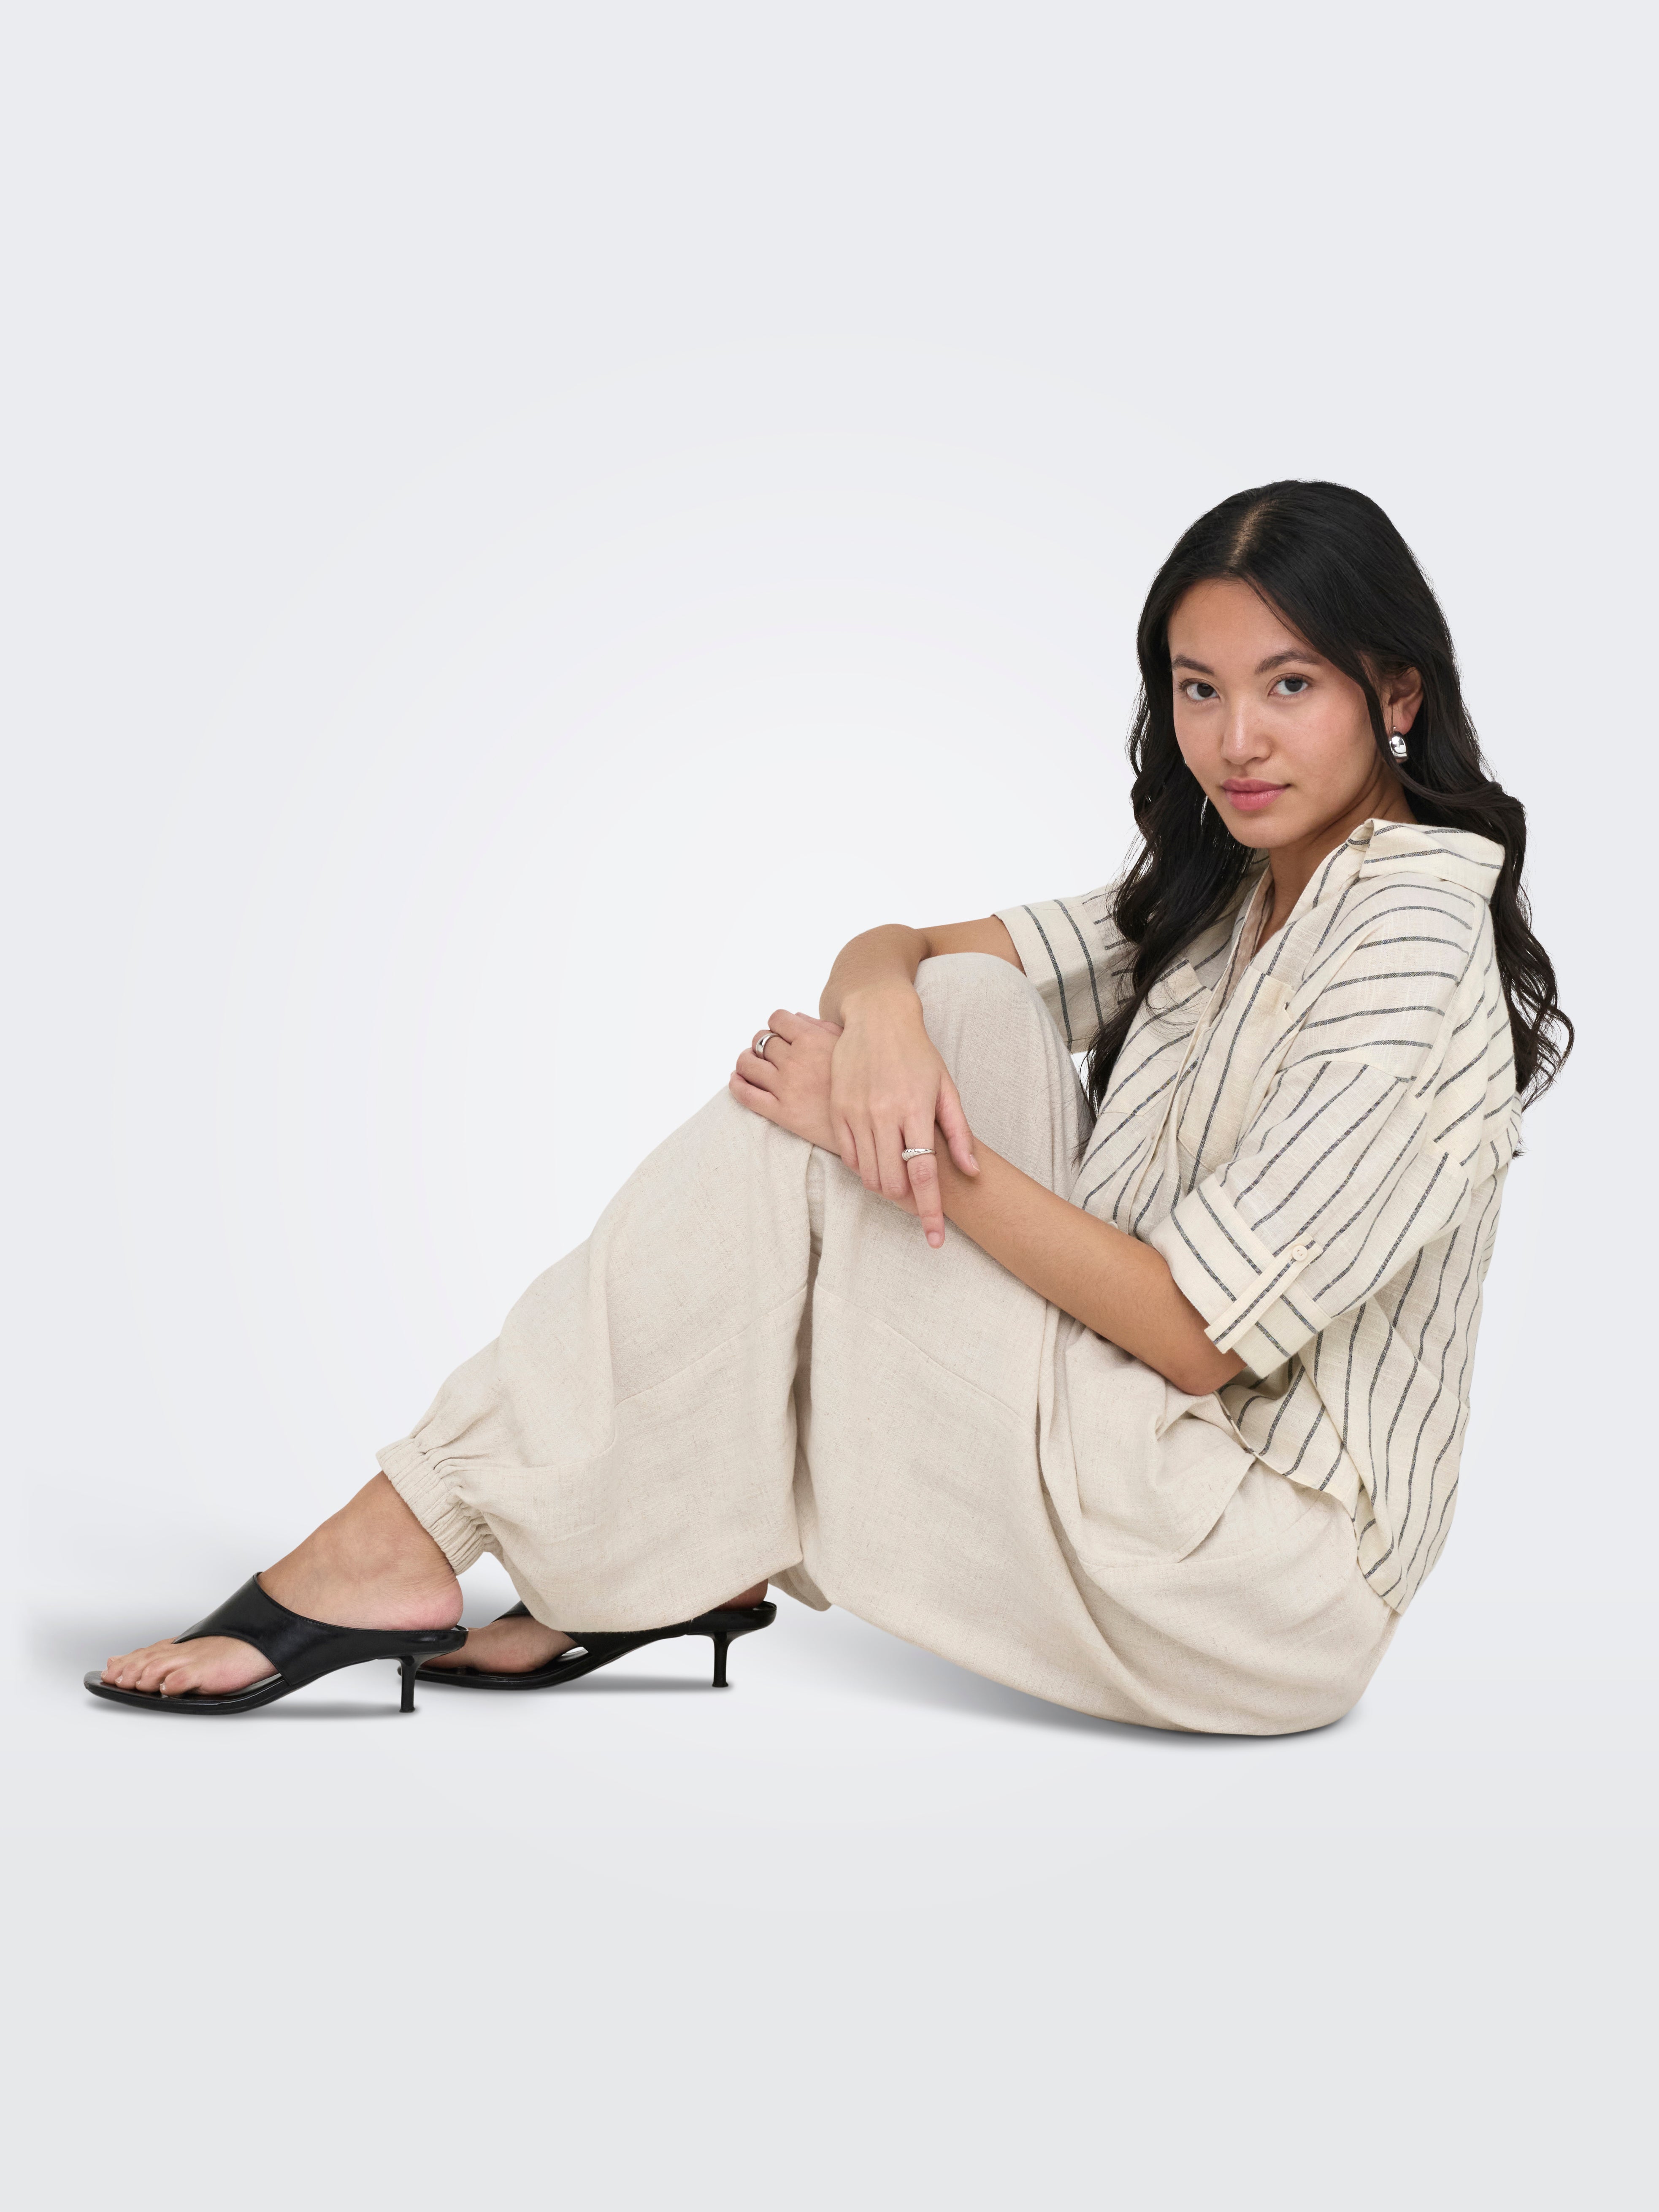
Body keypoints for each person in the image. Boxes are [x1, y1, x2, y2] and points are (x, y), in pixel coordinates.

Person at [89, 480, 1571, 1733]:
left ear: (1395, 694)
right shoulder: (1239, 892)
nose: (1234, 739)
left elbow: (1194, 1331)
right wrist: (882, 1038)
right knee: (951, 1009)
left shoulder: (1406, 937)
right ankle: (631, 1538)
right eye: (1199, 688)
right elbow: (899, 951)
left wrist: (885, 1128)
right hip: (1130, 1454)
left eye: (1288, 685)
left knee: (818, 1154)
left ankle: (416, 1531)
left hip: (1254, 1577)